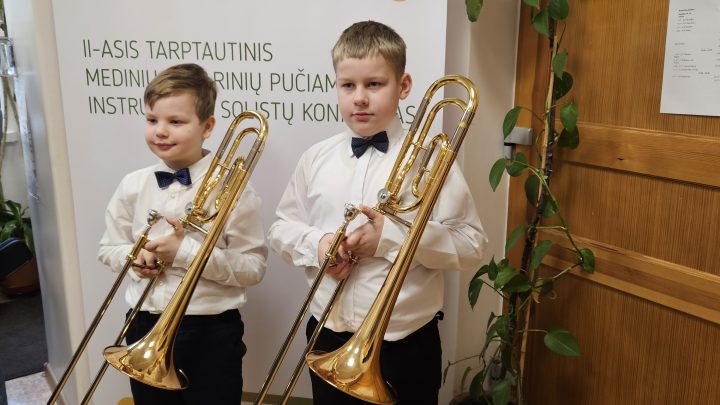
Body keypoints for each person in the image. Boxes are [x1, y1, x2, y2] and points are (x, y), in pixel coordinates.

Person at [267, 21, 487, 404]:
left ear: (404, 86)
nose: (359, 98)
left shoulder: (432, 160)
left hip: (406, 344)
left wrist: (391, 238)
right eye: (347, 85)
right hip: (328, 335)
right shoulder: (315, 159)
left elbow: (471, 245)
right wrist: (319, 245)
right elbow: (281, 229)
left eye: (374, 84)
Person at [98, 63, 267, 405]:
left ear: (208, 127)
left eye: (175, 122)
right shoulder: (133, 185)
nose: (161, 131)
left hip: (212, 330)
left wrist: (186, 253)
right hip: (144, 322)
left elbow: (253, 268)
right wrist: (136, 257)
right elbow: (108, 248)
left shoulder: (235, 189)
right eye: (152, 119)